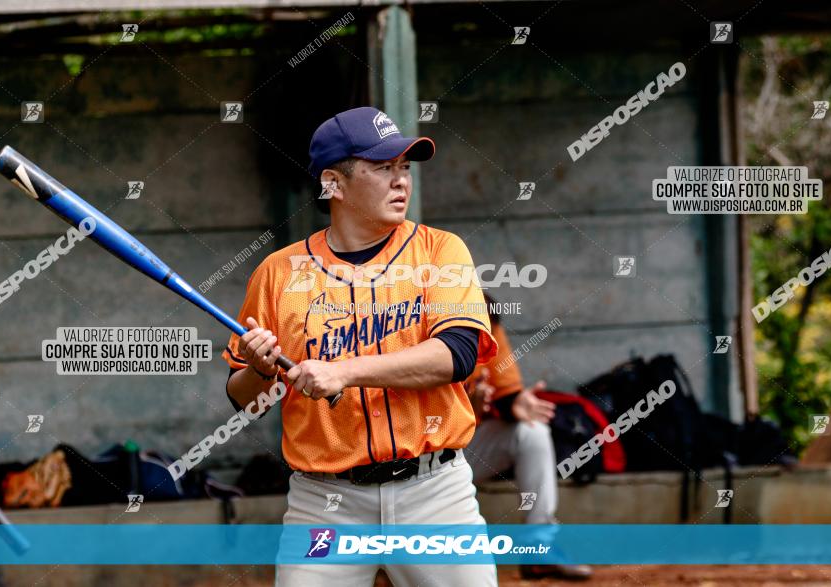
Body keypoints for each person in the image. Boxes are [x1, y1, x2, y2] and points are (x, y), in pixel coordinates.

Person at [223, 106, 499, 586]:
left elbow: (456, 355)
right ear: (334, 183)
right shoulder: (277, 274)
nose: (401, 182)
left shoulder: (440, 250)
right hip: (324, 502)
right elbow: (242, 399)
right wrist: (261, 369)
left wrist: (344, 372)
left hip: (434, 493)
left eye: (404, 168)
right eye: (382, 167)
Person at [464, 299, 593, 581]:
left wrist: (515, 405)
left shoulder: (486, 322)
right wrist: (463, 410)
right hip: (415, 458)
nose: (479, 340)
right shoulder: (417, 335)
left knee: (532, 432)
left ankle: (539, 546)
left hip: (466, 450)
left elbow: (506, 393)